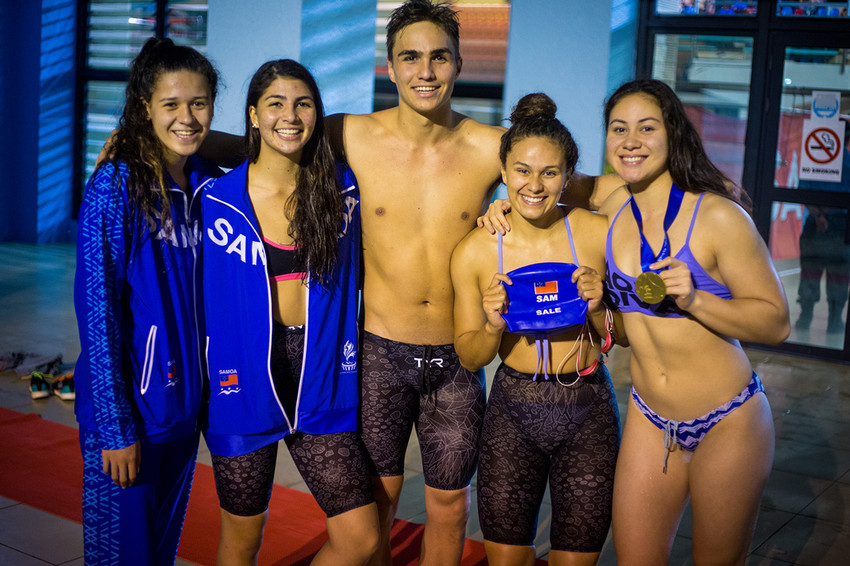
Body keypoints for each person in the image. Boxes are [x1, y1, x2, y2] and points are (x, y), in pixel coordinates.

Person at [600, 79, 789, 564]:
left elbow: (776, 322)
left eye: (647, 127)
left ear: (674, 133)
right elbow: (541, 180)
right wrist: (499, 207)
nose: (631, 141)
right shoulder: (610, 204)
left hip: (728, 421)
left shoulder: (719, 217)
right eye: (618, 128)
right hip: (649, 417)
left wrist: (697, 299)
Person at [199, 59, 379, 565]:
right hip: (243, 381)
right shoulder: (215, 198)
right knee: (242, 541)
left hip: (320, 374)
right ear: (253, 115)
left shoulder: (343, 191)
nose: (290, 115)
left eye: (303, 103)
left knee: (360, 537)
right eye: (275, 103)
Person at [452, 93, 622, 566]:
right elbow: (470, 357)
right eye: (522, 170)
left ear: (569, 177)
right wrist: (491, 324)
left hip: (587, 409)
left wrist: (597, 306)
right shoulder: (477, 251)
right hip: (513, 411)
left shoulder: (596, 233)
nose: (534, 184)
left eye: (550, 173)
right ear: (503, 172)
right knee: (507, 560)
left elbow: (622, 335)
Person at [74, 37, 220, 565]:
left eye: (199, 103)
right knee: (121, 558)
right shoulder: (116, 185)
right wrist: (115, 427)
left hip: (183, 412)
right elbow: (98, 310)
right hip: (130, 414)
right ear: (143, 109)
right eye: (171, 105)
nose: (187, 117)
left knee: (159, 555)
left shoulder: (208, 188)